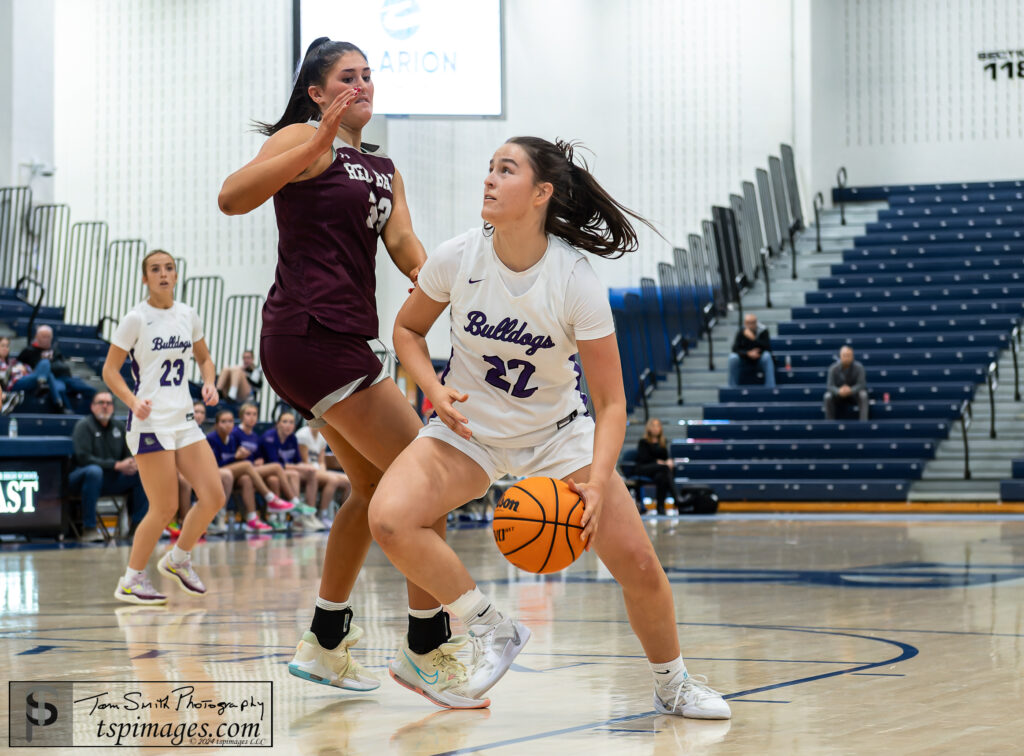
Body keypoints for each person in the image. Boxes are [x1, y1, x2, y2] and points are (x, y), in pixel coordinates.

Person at [368, 136, 731, 718]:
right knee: (388, 518)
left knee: (637, 564)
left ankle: (674, 683)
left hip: (559, 436)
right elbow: (407, 331)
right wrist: (433, 389)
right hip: (470, 432)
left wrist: (598, 478)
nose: (488, 178)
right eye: (488, 168)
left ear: (541, 193)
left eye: (504, 170)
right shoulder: (458, 256)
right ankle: (491, 629)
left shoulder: (574, 279)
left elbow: (612, 401)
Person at [219, 36, 456, 697]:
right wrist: (310, 140)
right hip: (310, 333)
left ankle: (325, 643)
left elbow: (407, 246)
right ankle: (426, 646)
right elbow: (232, 199)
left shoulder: (384, 170)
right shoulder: (303, 139)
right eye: (347, 78)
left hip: (343, 341)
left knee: (375, 491)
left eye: (369, 76)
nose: (363, 85)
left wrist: (450, 285)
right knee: (426, 481)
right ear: (319, 93)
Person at [101, 250, 225, 605]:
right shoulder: (135, 319)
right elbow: (110, 371)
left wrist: (210, 382)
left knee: (214, 495)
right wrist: (131, 400)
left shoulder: (188, 314)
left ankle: (178, 558)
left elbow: (204, 357)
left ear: (175, 275)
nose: (163, 274)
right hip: (149, 421)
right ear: (145, 279)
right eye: (155, 269)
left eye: (168, 268)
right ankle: (131, 579)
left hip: (184, 419)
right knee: (165, 506)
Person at [69, 391, 149, 543]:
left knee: (141, 472)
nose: (105, 406)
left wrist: (132, 464)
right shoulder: (83, 426)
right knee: (94, 471)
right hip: (83, 478)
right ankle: (89, 528)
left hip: (111, 479)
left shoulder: (119, 426)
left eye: (109, 403)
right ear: (92, 407)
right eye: (101, 403)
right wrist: (117, 465)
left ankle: (138, 527)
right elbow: (83, 458)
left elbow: (128, 455)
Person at [206, 408, 294, 532]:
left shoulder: (231, 438)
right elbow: (215, 464)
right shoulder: (211, 438)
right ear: (216, 424)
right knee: (249, 465)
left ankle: (252, 519)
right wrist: (236, 457)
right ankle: (271, 498)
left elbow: (237, 460)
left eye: (230, 421)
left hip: (232, 473)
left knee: (247, 478)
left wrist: (253, 459)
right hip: (215, 472)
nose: (228, 424)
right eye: (223, 421)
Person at [12, 325, 97, 412]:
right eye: (44, 336)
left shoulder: (55, 350)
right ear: (36, 337)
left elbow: (63, 364)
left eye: (48, 337)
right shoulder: (28, 351)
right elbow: (19, 366)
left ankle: (82, 414)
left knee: (91, 391)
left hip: (66, 377)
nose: (46, 339)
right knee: (60, 389)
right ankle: (68, 413)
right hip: (51, 379)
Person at [296, 422, 352, 527]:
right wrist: (321, 472)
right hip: (306, 470)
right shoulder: (302, 435)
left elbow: (321, 461)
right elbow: (305, 461)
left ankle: (342, 515)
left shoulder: (322, 436)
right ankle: (323, 514)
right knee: (333, 480)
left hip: (317, 469)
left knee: (348, 480)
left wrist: (322, 471)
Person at [635, 418, 681, 516]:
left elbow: (666, 457)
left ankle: (660, 507)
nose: (656, 428)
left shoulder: (663, 441)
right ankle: (676, 498)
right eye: (653, 426)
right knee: (665, 469)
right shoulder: (643, 442)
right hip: (644, 468)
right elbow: (643, 458)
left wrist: (669, 461)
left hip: (659, 471)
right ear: (649, 428)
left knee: (662, 476)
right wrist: (657, 462)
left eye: (658, 426)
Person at [727, 313, 775, 388]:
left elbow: (767, 347)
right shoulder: (741, 331)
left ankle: (770, 388)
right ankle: (732, 388)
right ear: (745, 323)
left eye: (752, 323)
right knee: (732, 357)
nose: (750, 325)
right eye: (748, 323)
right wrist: (748, 353)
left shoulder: (763, 330)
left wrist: (754, 339)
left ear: (756, 322)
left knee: (767, 356)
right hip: (744, 360)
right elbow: (735, 349)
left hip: (759, 359)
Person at [824, 345, 869, 421]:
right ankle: (829, 423)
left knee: (863, 395)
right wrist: (838, 391)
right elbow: (830, 386)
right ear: (840, 356)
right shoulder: (833, 368)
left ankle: (863, 422)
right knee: (827, 396)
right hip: (838, 395)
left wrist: (850, 390)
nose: (847, 358)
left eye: (849, 355)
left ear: (852, 356)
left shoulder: (859, 367)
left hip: (854, 395)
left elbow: (862, 384)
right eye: (844, 355)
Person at [0, 336, 29, 414]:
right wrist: (16, 369)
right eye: (2, 345)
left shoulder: (11, 361)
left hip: (12, 387)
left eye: (7, 346)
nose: (5, 348)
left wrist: (22, 368)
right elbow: (3, 374)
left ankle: (9, 400)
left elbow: (27, 368)